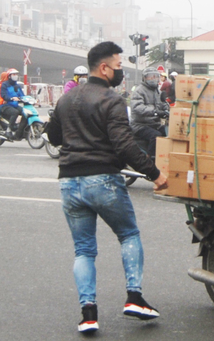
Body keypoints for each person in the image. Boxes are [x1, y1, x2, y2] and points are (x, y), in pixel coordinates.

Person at [45, 41, 167, 334]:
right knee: (128, 234)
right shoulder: (111, 100)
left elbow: (52, 135)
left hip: (69, 182)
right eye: (118, 66)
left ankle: (88, 315)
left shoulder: (66, 100)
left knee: (84, 250)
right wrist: (155, 173)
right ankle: (134, 297)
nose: (120, 71)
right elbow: (125, 145)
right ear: (103, 68)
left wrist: (78, 138)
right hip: (102, 180)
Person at [130, 67, 169, 158]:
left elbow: (163, 105)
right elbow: (137, 107)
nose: (153, 79)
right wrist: (155, 112)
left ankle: (165, 158)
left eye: (155, 76)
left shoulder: (157, 91)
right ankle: (150, 160)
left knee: (168, 132)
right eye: (150, 77)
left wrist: (166, 108)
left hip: (155, 124)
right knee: (156, 137)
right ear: (144, 78)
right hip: (140, 125)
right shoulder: (139, 91)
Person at [0, 68, 25, 140]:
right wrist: (11, 98)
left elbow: (22, 95)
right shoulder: (4, 85)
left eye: (16, 74)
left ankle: (20, 131)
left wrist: (29, 99)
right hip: (5, 105)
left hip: (15, 105)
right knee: (15, 112)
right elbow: (3, 95)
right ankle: (8, 130)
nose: (16, 76)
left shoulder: (17, 86)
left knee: (26, 112)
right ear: (9, 76)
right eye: (14, 74)